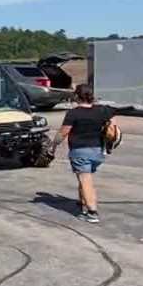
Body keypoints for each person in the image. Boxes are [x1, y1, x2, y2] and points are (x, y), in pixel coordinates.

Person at [52, 84, 113, 224]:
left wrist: (54, 144)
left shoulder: (73, 113)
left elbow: (63, 132)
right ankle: (82, 203)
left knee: (86, 181)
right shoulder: (101, 111)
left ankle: (92, 212)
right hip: (97, 152)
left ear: (77, 96)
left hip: (80, 151)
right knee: (84, 178)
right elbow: (113, 118)